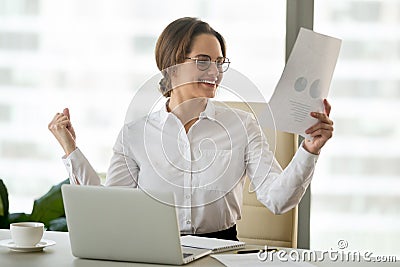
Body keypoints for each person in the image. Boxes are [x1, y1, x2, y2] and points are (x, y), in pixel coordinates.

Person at [48, 17, 333, 241]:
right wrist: (70, 150)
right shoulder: (135, 135)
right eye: (203, 61)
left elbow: (278, 200)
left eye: (220, 63)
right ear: (171, 67)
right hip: (153, 251)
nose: (215, 72)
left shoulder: (243, 126)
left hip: (222, 251)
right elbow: (109, 211)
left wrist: (309, 150)